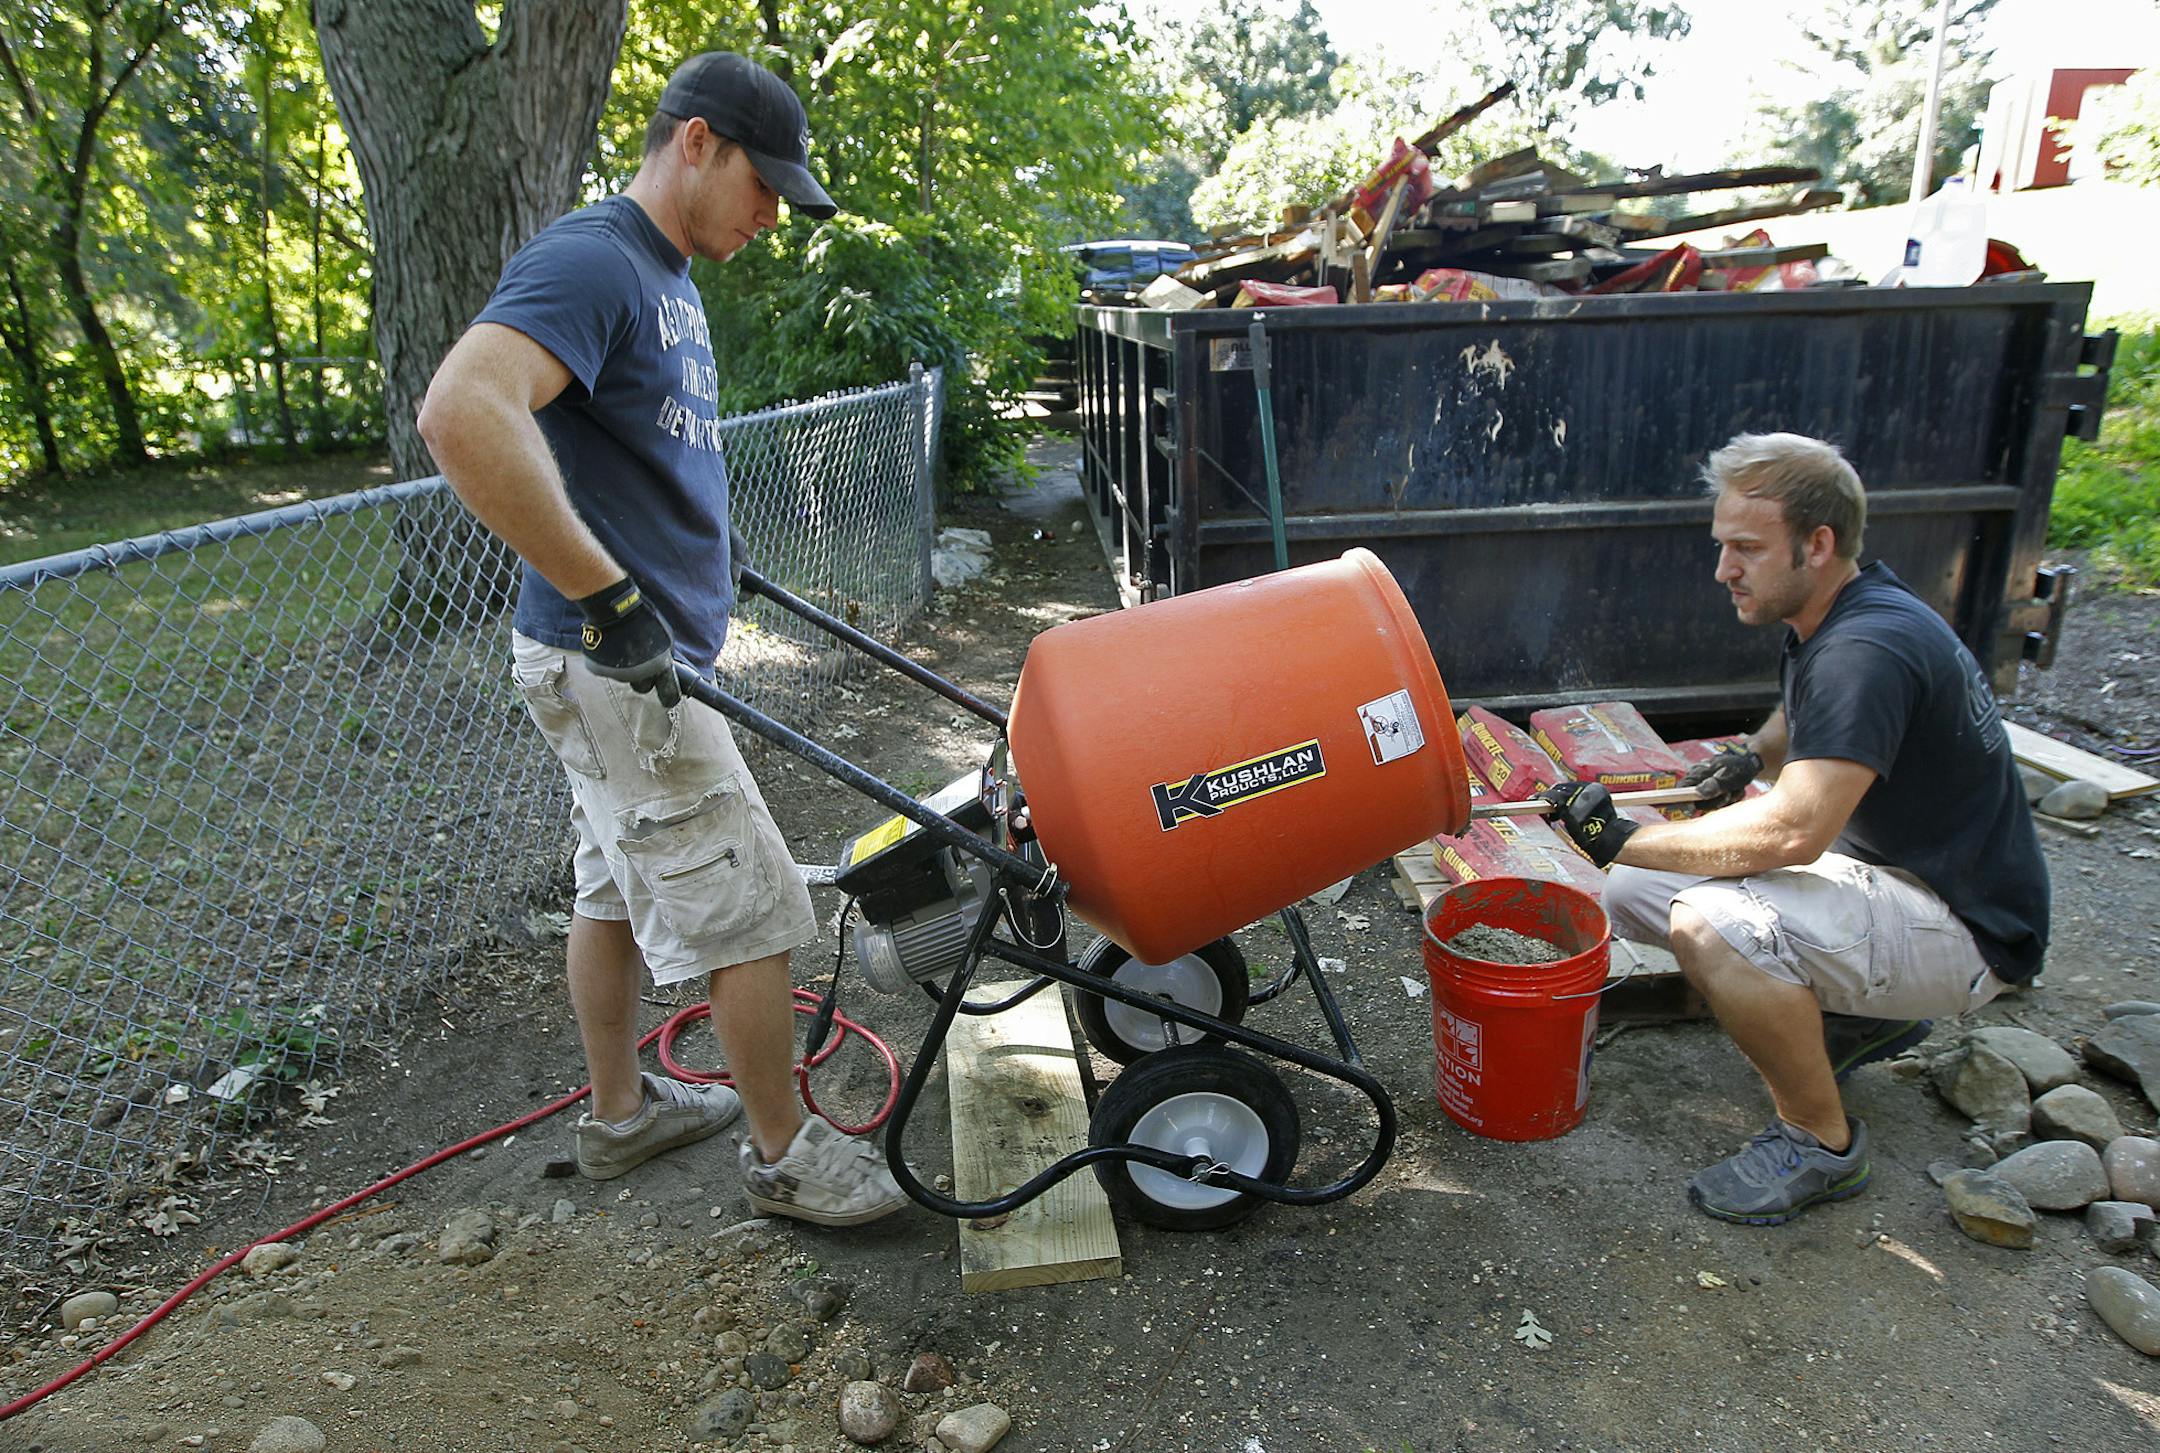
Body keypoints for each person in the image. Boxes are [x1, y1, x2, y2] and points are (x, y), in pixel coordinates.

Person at [416, 52, 907, 1227]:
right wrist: (612, 596)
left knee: (610, 890)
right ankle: (788, 1155)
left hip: (617, 655)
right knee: (753, 902)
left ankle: (621, 1118)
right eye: (762, 183)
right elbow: (462, 409)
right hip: (615, 665)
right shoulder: (594, 258)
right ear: (695, 142)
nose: (772, 214)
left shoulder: (669, 275)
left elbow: (634, 453)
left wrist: (699, 555)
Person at [1538, 433, 2048, 1227]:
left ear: (1819, 543)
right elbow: (1804, 714)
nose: (1723, 569)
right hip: (1902, 876)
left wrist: (1618, 835)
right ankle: (1850, 1016)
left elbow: (1793, 834)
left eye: (1746, 547)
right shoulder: (1840, 608)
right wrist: (1750, 755)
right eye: (1721, 545)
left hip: (1969, 929)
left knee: (1710, 924)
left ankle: (1821, 1140)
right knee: (1638, 890)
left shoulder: (1865, 647)